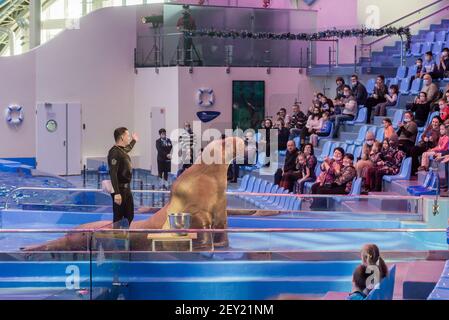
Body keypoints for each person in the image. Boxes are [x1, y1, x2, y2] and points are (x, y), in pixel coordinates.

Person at [107, 127, 138, 225]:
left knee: (129, 216)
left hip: (126, 189)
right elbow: (113, 173)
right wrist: (116, 193)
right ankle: (117, 239)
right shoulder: (114, 152)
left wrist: (134, 141)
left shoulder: (121, 150)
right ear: (122, 137)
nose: (129, 137)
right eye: (127, 135)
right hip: (119, 189)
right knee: (119, 218)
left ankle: (125, 238)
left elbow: (128, 148)